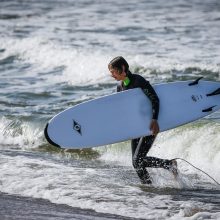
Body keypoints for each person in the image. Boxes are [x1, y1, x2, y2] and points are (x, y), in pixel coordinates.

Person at [108, 56, 178, 184]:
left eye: (113, 72)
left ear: (122, 68)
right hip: (136, 127)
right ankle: (150, 186)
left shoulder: (138, 81)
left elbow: (154, 99)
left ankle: (169, 165)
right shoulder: (120, 87)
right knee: (136, 162)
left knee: (137, 160)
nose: (111, 75)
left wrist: (154, 119)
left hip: (150, 124)